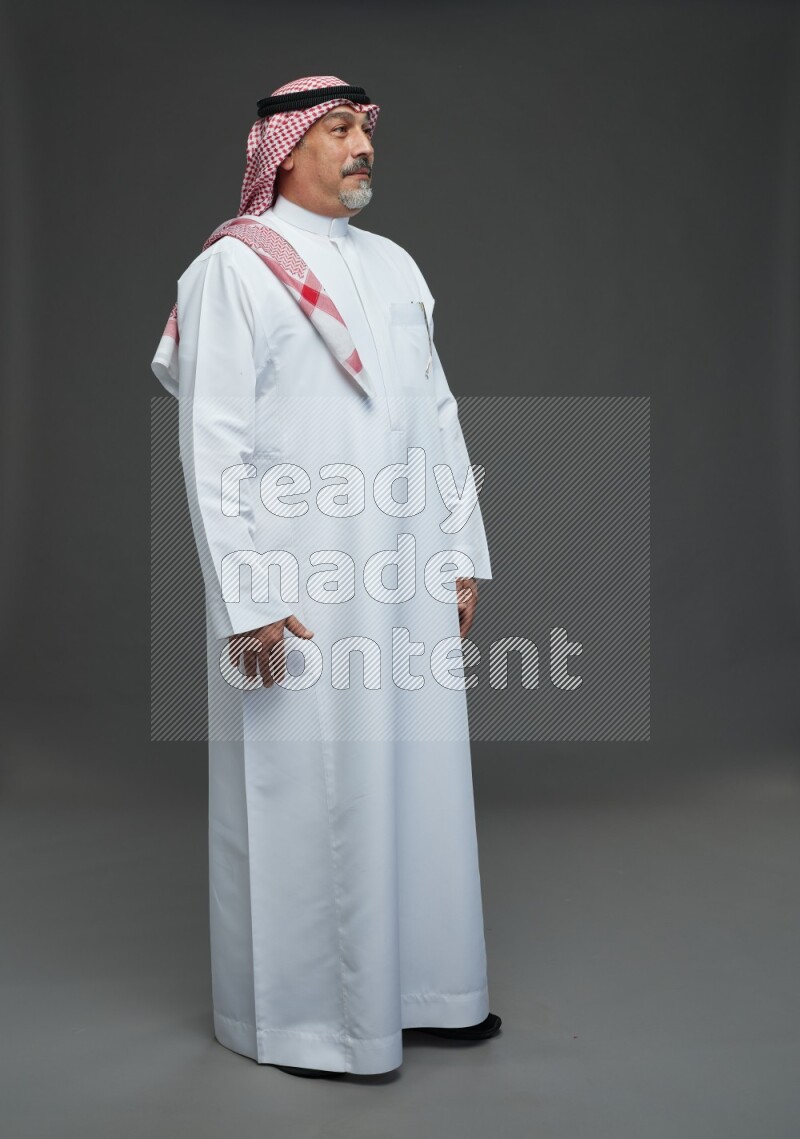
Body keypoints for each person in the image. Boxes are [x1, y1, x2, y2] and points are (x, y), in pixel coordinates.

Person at [150, 74, 501, 1079]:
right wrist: (248, 600)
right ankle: (309, 1023)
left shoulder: (392, 264)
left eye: (364, 129)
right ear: (284, 146)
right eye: (338, 130)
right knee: (308, 786)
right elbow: (210, 447)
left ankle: (429, 991)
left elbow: (435, 413)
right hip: (298, 585)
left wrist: (457, 549)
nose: (360, 146)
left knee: (417, 774)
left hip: (399, 567)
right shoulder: (233, 269)